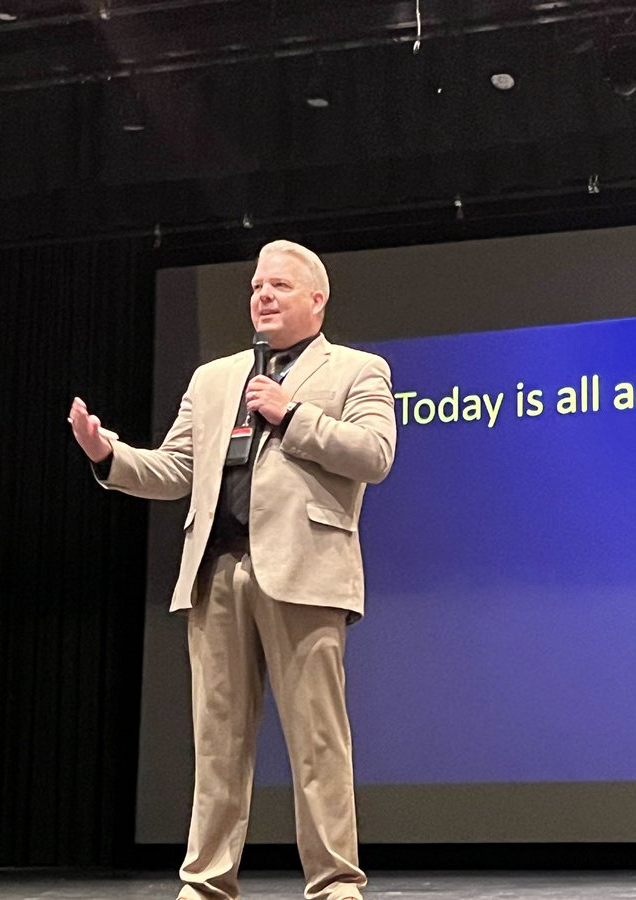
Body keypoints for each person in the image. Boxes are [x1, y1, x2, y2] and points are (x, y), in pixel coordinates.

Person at [68, 240, 396, 900]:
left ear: (316, 299)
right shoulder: (214, 379)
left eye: (278, 285)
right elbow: (175, 471)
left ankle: (335, 883)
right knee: (217, 743)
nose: (263, 296)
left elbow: (374, 454)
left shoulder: (356, 371)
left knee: (317, 741)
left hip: (304, 573)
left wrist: (292, 414)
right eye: (255, 287)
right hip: (216, 572)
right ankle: (206, 883)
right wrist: (109, 455)